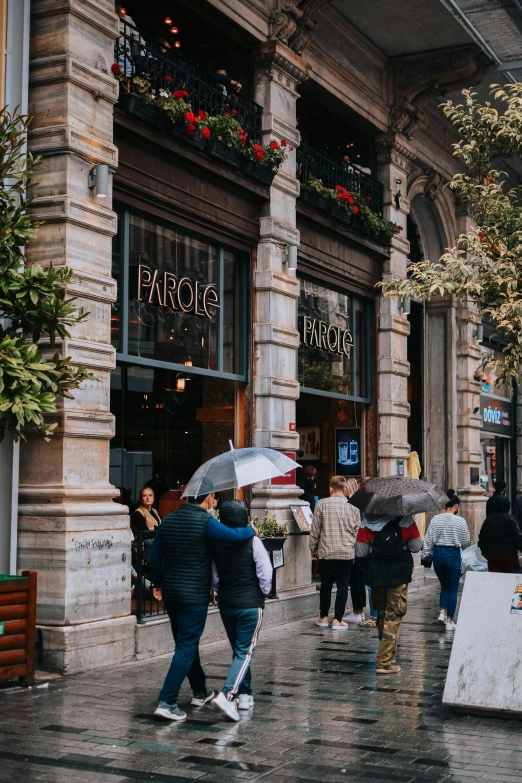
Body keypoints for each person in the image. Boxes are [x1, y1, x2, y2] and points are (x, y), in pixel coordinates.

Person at [150, 481, 256, 722]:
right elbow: (232, 535)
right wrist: (252, 531)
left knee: (186, 642)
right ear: (208, 498)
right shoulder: (206, 522)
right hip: (193, 593)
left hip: (172, 592)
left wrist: (157, 583)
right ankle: (167, 701)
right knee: (186, 645)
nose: (214, 502)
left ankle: (200, 691)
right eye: (213, 499)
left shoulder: (167, 520)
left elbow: (155, 554)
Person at [210, 500, 272, 721]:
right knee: (245, 652)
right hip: (249, 604)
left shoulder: (217, 545)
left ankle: (245, 695)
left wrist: (220, 592)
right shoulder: (253, 541)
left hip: (227, 604)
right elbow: (266, 572)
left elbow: (215, 577)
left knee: (239, 651)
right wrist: (263, 592)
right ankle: (227, 694)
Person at [356, 513, 422, 673]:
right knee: (394, 615)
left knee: (382, 613)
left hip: (377, 573)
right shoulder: (407, 521)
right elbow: (416, 546)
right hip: (399, 574)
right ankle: (385, 661)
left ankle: (388, 654)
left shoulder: (368, 522)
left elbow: (361, 551)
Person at [309, 475, 361, 630]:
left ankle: (324, 616)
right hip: (347, 552)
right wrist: (355, 551)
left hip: (327, 551)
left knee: (326, 585)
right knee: (343, 585)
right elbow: (357, 531)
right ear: (344, 488)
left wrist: (313, 549)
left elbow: (315, 530)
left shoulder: (322, 504)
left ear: (331, 488)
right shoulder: (354, 506)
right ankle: (338, 619)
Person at [421, 491, 470, 632]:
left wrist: (426, 554)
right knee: (453, 588)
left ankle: (442, 612)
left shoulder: (435, 519)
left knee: (444, 585)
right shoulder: (460, 521)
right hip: (453, 554)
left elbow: (428, 538)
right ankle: (450, 621)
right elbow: (466, 540)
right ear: (455, 506)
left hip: (438, 555)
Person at [343, 478, 367, 624]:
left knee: (355, 580)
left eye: (345, 488)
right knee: (360, 580)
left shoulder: (353, 504)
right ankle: (360, 611)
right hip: (361, 545)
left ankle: (357, 612)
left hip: (355, 546)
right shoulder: (361, 503)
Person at [478, 496, 522, 572]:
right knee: (512, 579)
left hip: (492, 555)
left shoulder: (488, 520)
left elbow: (482, 537)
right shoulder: (510, 519)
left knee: (495, 578)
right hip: (509, 554)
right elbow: (517, 537)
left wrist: (484, 551)